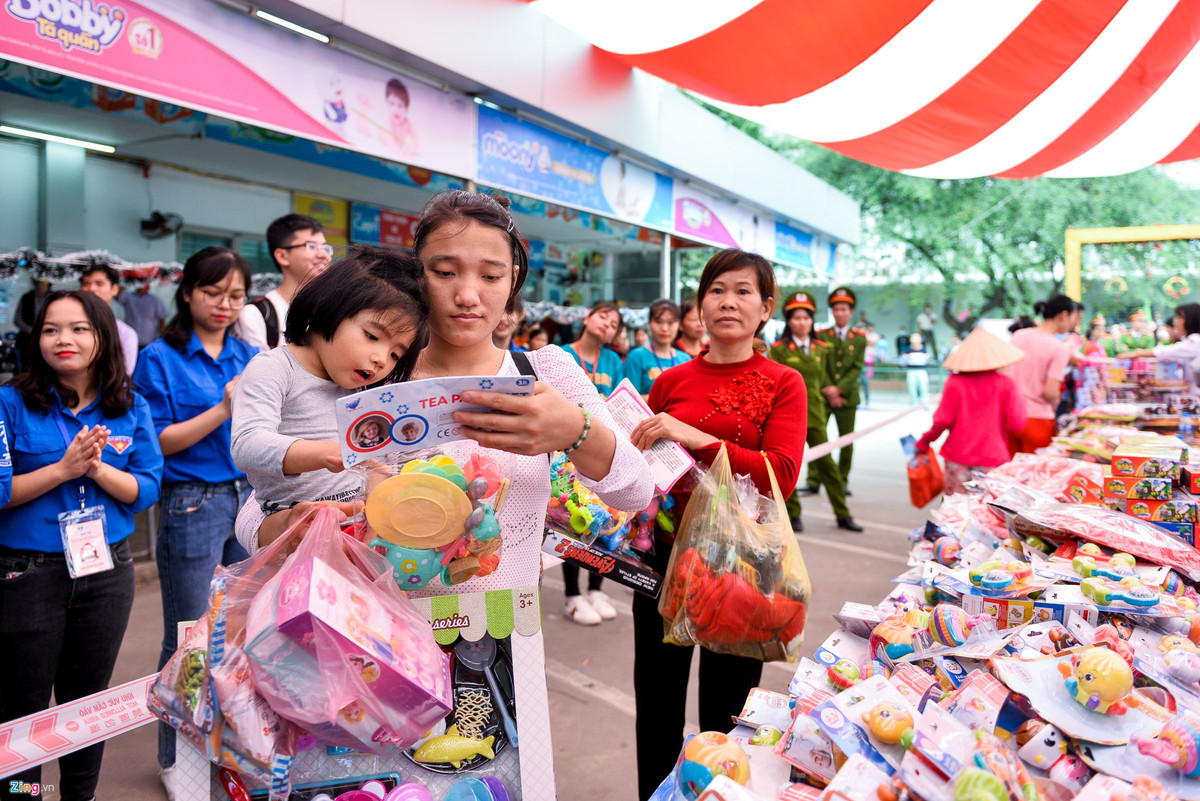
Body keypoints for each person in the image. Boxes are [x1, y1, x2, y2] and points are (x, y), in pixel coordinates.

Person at [234, 191, 652, 600]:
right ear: (416, 277)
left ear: (513, 282)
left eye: (491, 276)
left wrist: (577, 432)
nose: (468, 295)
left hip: (504, 639)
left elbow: (635, 492)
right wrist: (291, 526)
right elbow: (259, 507)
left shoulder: (543, 372)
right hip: (377, 634)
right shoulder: (368, 377)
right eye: (445, 272)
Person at [629, 249, 805, 800]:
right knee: (656, 709)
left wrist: (699, 439)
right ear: (699, 306)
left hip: (744, 569)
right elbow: (644, 471)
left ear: (765, 307)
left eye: (743, 291)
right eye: (716, 289)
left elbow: (782, 474)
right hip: (662, 559)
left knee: (725, 719)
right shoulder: (670, 380)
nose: (728, 301)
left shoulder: (783, 382)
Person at [0, 290, 162, 801]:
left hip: (106, 572)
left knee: (86, 703)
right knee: (22, 707)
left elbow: (146, 489)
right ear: (36, 339)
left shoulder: (129, 405)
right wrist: (62, 470)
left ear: (103, 338)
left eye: (78, 329)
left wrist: (97, 468)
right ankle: (22, 799)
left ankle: (80, 797)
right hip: (27, 573)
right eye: (50, 330)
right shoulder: (9, 402)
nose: (63, 339)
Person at [131, 247, 259, 787]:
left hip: (248, 496)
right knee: (187, 632)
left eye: (235, 296)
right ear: (187, 292)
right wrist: (224, 409)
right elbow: (158, 440)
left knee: (238, 634)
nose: (225, 305)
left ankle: (224, 751)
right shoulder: (160, 356)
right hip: (193, 499)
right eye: (213, 293)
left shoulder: (250, 354)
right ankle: (173, 760)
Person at [231, 247, 427, 514]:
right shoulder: (275, 368)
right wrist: (328, 453)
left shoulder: (361, 388)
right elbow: (248, 445)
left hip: (355, 529)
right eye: (372, 336)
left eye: (395, 354)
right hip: (296, 530)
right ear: (327, 308)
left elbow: (377, 463)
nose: (382, 359)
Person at [768, 291, 860, 533]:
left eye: (806, 318)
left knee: (828, 466)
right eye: (797, 318)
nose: (802, 323)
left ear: (812, 321)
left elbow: (827, 379)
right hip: (788, 419)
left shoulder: (822, 348)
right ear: (789, 321)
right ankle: (794, 513)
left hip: (816, 416)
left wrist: (836, 394)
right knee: (787, 468)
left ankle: (843, 514)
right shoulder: (778, 349)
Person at [560, 301, 626, 624]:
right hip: (566, 453)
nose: (606, 325)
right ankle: (573, 595)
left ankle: (596, 589)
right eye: (603, 316)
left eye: (614, 324)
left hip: (602, 452)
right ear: (587, 317)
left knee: (606, 521)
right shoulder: (561, 354)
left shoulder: (613, 360)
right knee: (575, 523)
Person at [916, 328, 1027, 494]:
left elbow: (943, 420)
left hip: (957, 457)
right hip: (992, 457)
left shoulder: (954, 382)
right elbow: (1017, 423)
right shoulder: (1005, 384)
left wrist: (925, 441)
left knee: (955, 512)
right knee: (986, 514)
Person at [233, 214, 332, 351]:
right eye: (312, 246)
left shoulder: (331, 312)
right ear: (282, 256)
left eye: (326, 248)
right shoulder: (257, 315)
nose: (323, 255)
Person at [804, 286, 866, 496]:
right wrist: (829, 390)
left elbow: (856, 368)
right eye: (836, 309)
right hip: (824, 396)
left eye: (844, 309)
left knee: (846, 441)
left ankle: (842, 481)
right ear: (832, 311)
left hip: (847, 398)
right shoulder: (821, 335)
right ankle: (813, 480)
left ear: (851, 312)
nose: (840, 313)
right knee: (818, 438)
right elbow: (819, 366)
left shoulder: (859, 338)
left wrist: (838, 389)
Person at [1003, 294, 1074, 455]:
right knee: (1035, 475)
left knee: (1008, 475)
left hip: (1010, 416)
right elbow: (1050, 392)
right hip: (1038, 419)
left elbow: (1004, 372)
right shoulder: (1058, 348)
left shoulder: (1019, 335)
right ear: (1063, 315)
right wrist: (1056, 402)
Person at [1119, 303, 1200, 395]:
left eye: (1179, 317)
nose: (1176, 321)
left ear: (1191, 319)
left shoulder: (1196, 340)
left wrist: (1138, 353)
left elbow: (1169, 351)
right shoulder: (1188, 340)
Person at [623, 298, 691, 400]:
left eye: (671, 322)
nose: (664, 328)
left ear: (679, 325)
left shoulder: (685, 359)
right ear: (649, 323)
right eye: (658, 321)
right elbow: (628, 398)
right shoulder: (636, 357)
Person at [80, 263, 139, 375]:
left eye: (99, 283)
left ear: (114, 289)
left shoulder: (125, 334)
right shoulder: (67, 328)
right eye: (86, 283)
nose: (92, 288)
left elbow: (123, 378)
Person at [118, 280, 168, 348]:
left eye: (143, 283)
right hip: (130, 342)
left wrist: (161, 341)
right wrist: (128, 281)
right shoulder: (128, 297)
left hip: (149, 342)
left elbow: (162, 322)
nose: (141, 286)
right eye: (139, 283)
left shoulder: (155, 301)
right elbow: (116, 293)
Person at [14, 277, 52, 363]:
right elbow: (17, 319)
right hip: (27, 340)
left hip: (49, 339)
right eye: (37, 280)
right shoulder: (26, 297)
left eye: (42, 280)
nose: (39, 282)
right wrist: (32, 331)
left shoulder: (54, 298)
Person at [383, 77, 420, 158]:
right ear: (386, 103)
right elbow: (391, 143)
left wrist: (413, 147)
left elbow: (416, 137)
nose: (396, 110)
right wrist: (403, 155)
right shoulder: (388, 122)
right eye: (392, 104)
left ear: (406, 109)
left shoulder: (407, 122)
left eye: (400, 106)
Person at [901, 332, 931, 405]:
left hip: (922, 370)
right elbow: (903, 360)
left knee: (923, 387)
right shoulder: (907, 349)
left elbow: (927, 359)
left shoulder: (924, 349)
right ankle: (914, 403)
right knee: (912, 387)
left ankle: (925, 403)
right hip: (911, 370)